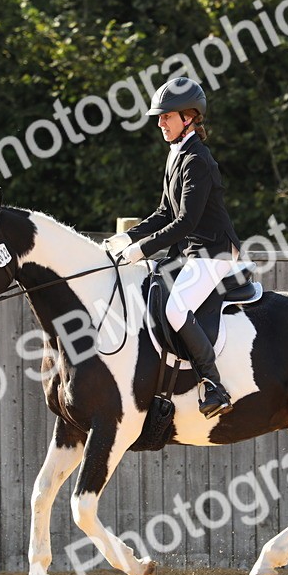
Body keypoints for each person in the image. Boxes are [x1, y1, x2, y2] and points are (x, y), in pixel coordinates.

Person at [104, 77, 242, 418]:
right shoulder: (176, 155)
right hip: (190, 251)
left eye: (166, 116)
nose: (160, 123)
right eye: (160, 117)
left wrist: (141, 250)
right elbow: (165, 213)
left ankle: (214, 385)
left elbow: (186, 222)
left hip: (214, 250)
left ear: (189, 117)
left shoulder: (198, 160)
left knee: (176, 310)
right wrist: (128, 238)